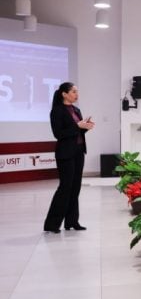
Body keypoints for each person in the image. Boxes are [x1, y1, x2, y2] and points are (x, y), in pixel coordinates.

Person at [44, 82, 94, 233]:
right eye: (73, 91)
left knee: (75, 187)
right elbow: (59, 134)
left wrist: (85, 127)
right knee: (65, 188)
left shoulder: (76, 110)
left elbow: (76, 132)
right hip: (65, 153)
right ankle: (52, 224)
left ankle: (72, 222)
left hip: (79, 152)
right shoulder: (57, 111)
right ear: (64, 94)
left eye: (77, 91)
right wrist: (78, 126)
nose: (76, 94)